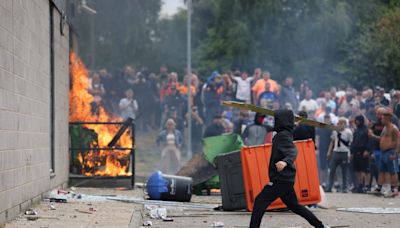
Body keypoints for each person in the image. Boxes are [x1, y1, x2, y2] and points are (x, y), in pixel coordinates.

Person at [249, 110, 327, 228]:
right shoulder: (286, 133)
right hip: (286, 179)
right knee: (294, 206)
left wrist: (285, 162)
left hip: (281, 178)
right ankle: (319, 226)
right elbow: (289, 131)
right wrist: (296, 123)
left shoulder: (283, 136)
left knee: (260, 201)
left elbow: (292, 151)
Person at [368, 109, 399, 197]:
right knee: (381, 171)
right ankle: (379, 188)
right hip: (383, 152)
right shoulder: (385, 128)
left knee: (393, 171)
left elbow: (397, 142)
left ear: (387, 118)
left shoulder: (394, 128)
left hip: (390, 152)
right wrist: (372, 135)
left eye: (382, 118)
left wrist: (394, 153)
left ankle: (394, 189)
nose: (381, 120)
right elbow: (381, 139)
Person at [326, 117, 353, 193]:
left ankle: (344, 187)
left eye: (342, 123)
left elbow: (350, 144)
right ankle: (329, 187)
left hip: (344, 152)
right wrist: (329, 151)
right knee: (332, 170)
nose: (340, 125)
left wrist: (349, 153)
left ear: (345, 124)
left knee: (344, 171)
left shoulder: (348, 132)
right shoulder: (335, 131)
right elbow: (332, 141)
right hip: (336, 152)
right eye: (339, 123)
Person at [350, 115, 370, 193]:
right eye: (356, 120)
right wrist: (352, 152)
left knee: (363, 170)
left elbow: (369, 141)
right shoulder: (357, 130)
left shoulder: (366, 130)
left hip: (363, 152)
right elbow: (354, 141)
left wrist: (367, 150)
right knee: (357, 169)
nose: (356, 122)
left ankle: (365, 186)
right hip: (356, 152)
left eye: (358, 120)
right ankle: (359, 185)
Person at [316, 115, 333, 188]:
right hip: (322, 149)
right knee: (322, 166)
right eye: (325, 119)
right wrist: (316, 148)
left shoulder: (332, 128)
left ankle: (331, 183)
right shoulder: (320, 128)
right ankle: (322, 183)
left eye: (328, 119)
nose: (327, 120)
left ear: (330, 120)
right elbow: (317, 138)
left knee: (331, 167)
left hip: (331, 150)